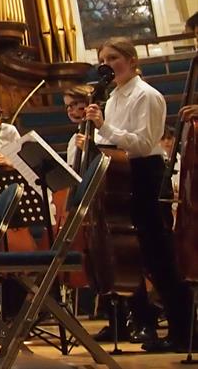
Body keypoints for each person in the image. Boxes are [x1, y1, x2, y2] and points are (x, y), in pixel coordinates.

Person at [77, 37, 193, 353]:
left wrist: (105, 127)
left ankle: (183, 330)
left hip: (145, 174)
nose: (107, 65)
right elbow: (113, 142)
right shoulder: (112, 97)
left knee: (158, 256)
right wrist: (92, 137)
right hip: (122, 175)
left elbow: (143, 143)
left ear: (131, 60)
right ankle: (142, 323)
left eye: (113, 58)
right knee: (128, 253)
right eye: (103, 59)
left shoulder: (147, 96)